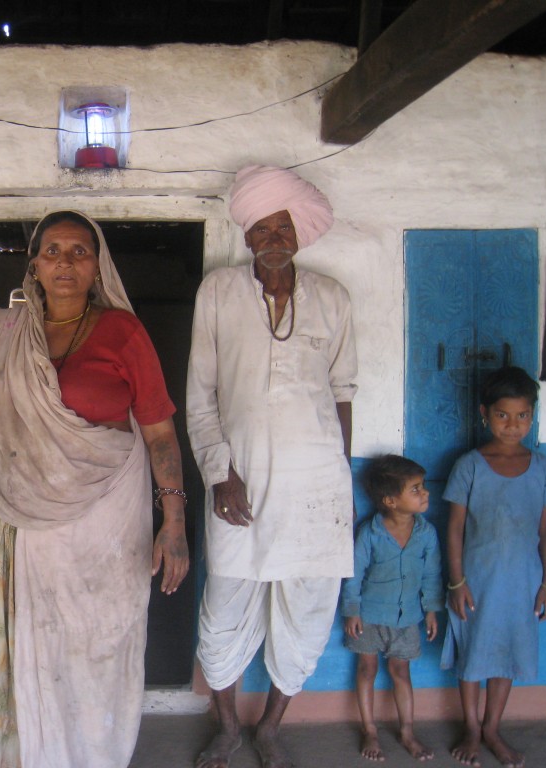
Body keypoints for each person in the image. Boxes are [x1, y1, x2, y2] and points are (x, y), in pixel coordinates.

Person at [0, 210, 190, 768]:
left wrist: (174, 522)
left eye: (79, 251)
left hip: (105, 529)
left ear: (98, 265)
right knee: (27, 645)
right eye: (53, 251)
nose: (65, 263)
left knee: (96, 648)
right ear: (34, 264)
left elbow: (160, 432)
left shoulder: (125, 332)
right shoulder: (3, 332)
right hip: (18, 523)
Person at [186, 165, 357, 768]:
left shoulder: (332, 298)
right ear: (248, 236)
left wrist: (342, 482)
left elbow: (343, 392)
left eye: (282, 224)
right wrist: (217, 474)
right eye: (261, 227)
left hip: (318, 489)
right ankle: (229, 728)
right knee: (225, 607)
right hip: (241, 481)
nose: (273, 236)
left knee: (308, 611)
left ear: (297, 231)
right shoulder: (219, 292)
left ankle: (271, 729)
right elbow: (200, 394)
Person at [442, 366, 546, 768]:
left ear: (533, 416)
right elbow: (454, 527)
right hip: (476, 579)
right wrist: (457, 582)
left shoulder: (543, 467)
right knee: (474, 649)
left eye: (522, 416)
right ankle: (471, 728)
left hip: (522, 581)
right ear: (484, 413)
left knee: (507, 651)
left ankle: (493, 728)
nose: (512, 425)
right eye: (502, 415)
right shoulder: (469, 465)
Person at [342, 455, 442, 762]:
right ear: (390, 500)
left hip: (408, 617)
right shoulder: (370, 533)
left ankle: (407, 732)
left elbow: (432, 574)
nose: (425, 493)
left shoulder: (426, 534)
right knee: (366, 669)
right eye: (415, 489)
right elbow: (354, 572)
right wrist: (352, 610)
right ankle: (369, 729)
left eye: (422, 487)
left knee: (402, 671)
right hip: (370, 616)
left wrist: (431, 609)